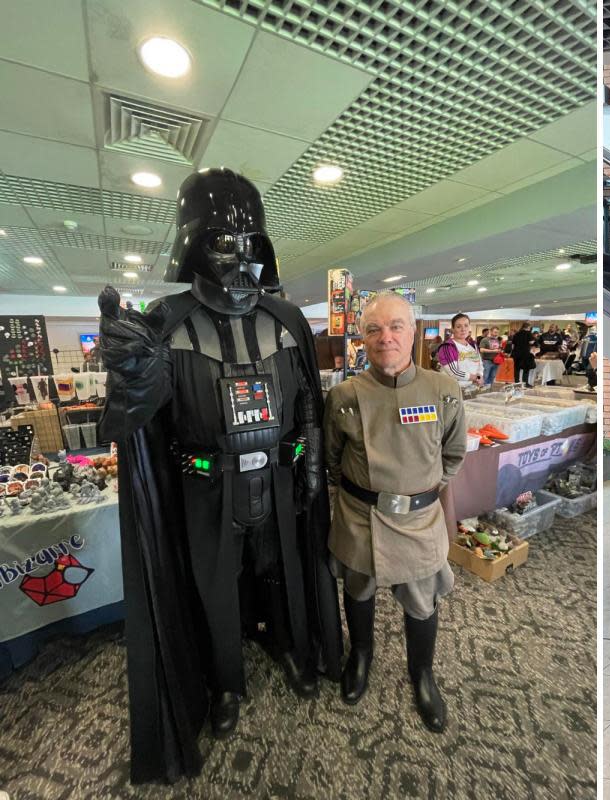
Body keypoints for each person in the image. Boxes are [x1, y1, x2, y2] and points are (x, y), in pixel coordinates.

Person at [96, 168, 340, 781]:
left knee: (283, 568)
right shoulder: (167, 322)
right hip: (204, 485)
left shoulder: (285, 320)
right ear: (193, 245)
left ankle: (289, 645)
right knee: (215, 589)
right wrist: (133, 376)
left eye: (251, 243)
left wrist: (312, 463)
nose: (241, 258)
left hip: (282, 480)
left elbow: (308, 400)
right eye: (223, 243)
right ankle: (226, 684)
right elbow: (134, 421)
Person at [324, 293, 466, 730]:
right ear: (362, 338)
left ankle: (422, 674)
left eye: (396, 327)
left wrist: (418, 492)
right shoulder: (344, 395)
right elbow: (332, 459)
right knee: (358, 591)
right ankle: (361, 656)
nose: (386, 338)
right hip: (359, 518)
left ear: (414, 331)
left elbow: (454, 454)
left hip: (420, 521)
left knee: (422, 603)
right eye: (374, 329)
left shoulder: (443, 390)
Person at [435, 313, 483, 389]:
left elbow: (479, 364)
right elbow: (454, 372)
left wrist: (479, 376)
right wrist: (475, 378)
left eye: (466, 325)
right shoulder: (447, 347)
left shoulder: (473, 345)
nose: (463, 329)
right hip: (452, 389)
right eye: (458, 326)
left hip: (471, 387)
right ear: (452, 329)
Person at [510, 321, 536, 386]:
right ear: (528, 327)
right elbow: (531, 342)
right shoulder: (529, 333)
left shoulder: (516, 334)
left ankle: (516, 382)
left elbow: (513, 345)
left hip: (516, 354)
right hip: (525, 354)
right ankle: (525, 383)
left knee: (516, 369)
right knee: (526, 369)